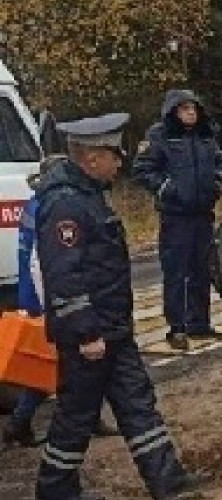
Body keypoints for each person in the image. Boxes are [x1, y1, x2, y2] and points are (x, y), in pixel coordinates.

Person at [33, 112, 206, 500]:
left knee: (138, 404)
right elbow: (65, 277)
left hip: (114, 330)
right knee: (76, 418)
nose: (120, 161)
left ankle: (168, 482)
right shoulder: (66, 206)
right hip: (90, 338)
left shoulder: (90, 197)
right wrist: (87, 333)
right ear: (91, 158)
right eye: (113, 153)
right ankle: (55, 491)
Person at [1, 160, 118, 450]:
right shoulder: (52, 206)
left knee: (64, 364)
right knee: (57, 364)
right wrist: (50, 306)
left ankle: (28, 423)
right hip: (50, 299)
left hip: (43, 296)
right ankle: (19, 423)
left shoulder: (36, 204)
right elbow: (42, 264)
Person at [133, 89, 222, 350]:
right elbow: (142, 169)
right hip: (176, 216)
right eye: (185, 108)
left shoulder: (206, 134)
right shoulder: (160, 136)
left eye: (194, 108)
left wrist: (217, 182)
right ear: (174, 111)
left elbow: (221, 161)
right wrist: (166, 189)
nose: (191, 113)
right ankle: (176, 328)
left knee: (202, 270)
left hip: (203, 214)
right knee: (176, 273)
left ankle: (200, 323)